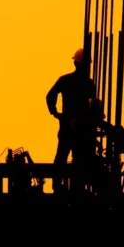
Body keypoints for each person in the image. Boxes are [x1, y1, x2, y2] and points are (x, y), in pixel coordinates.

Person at [46, 48, 96, 192]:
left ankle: (58, 187)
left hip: (69, 123)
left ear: (75, 63)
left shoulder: (66, 80)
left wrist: (55, 113)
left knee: (62, 156)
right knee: (78, 158)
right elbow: (93, 104)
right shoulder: (89, 83)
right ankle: (76, 188)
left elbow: (50, 95)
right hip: (82, 126)